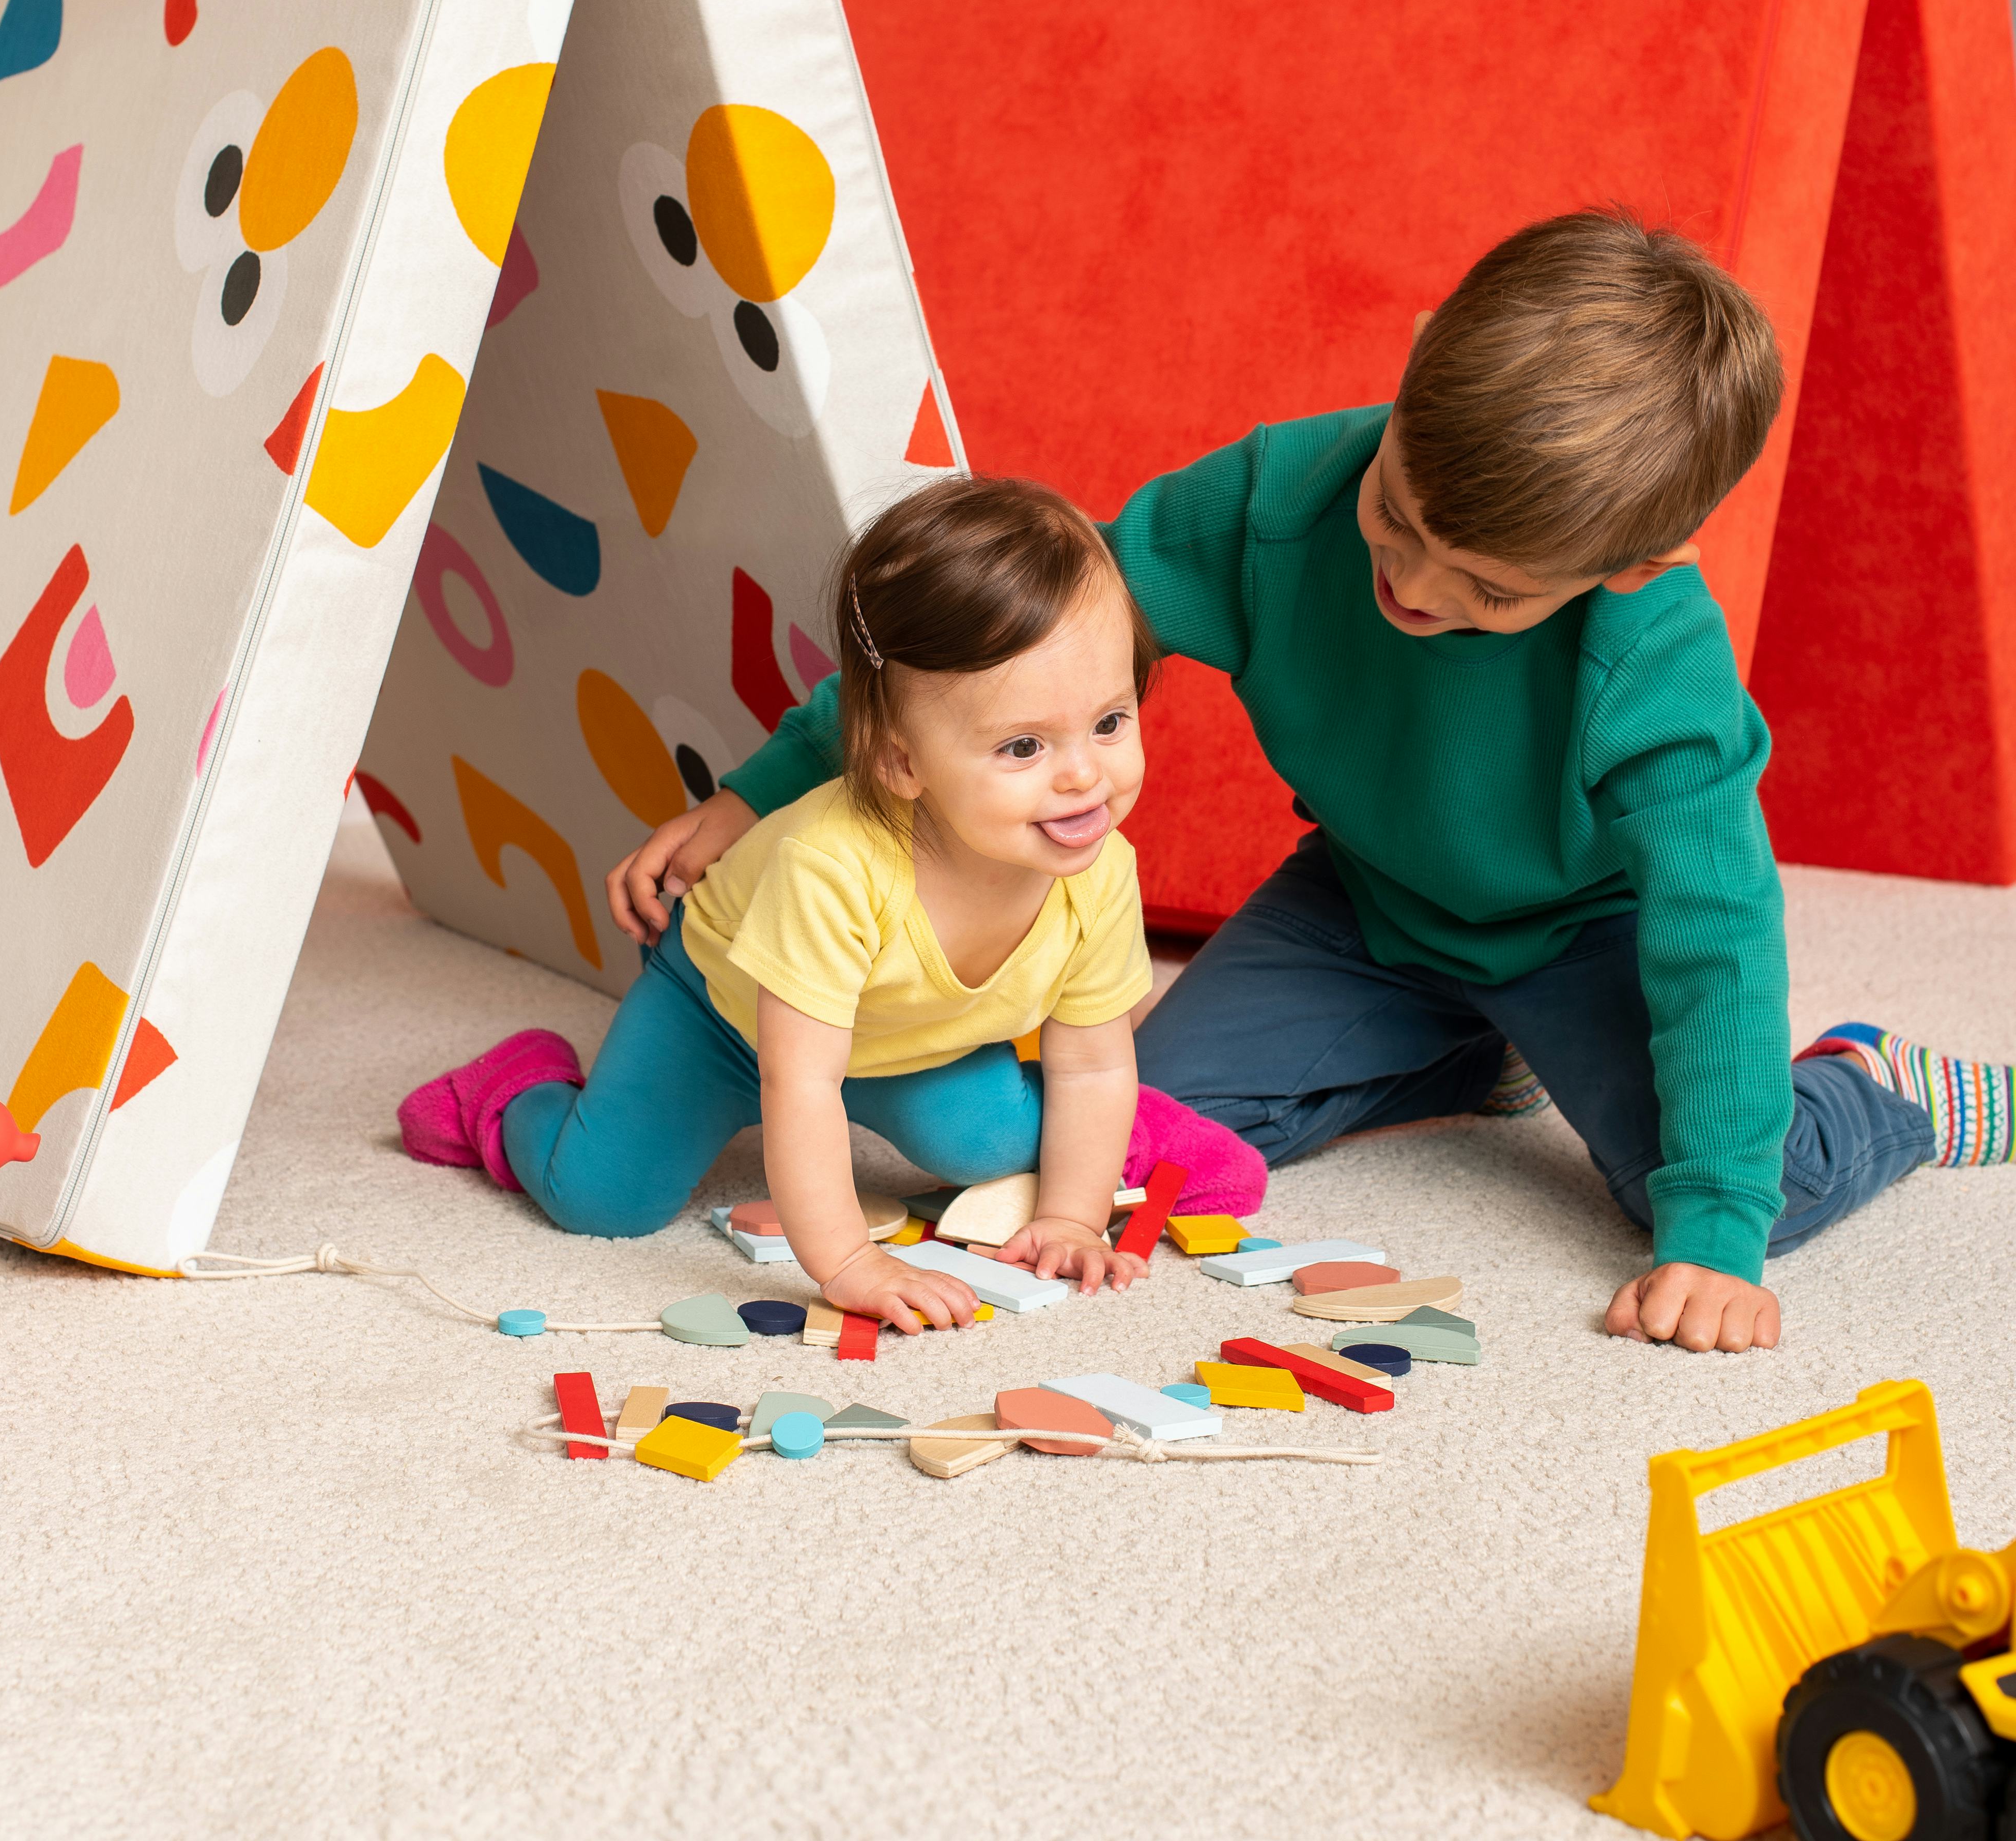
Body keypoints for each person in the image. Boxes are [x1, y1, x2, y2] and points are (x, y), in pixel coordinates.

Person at [624, 211, 2016, 1357]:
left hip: (1581, 938)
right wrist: (750, 797)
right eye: (1399, 520)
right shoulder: (1280, 493)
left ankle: (1870, 1088)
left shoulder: (1653, 655)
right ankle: (1472, 1050)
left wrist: (1715, 1226)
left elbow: (1712, 937)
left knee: (1722, 1192)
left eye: (1487, 590)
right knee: (1123, 1133)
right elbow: (1003, 657)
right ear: (1411, 370)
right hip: (1366, 901)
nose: (1411, 586)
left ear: (1631, 568)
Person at [398, 477, 1263, 1329]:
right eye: (1025, 745)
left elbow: (1093, 1061)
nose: (1085, 775)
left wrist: (1073, 1217)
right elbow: (800, 1080)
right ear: (901, 765)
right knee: (598, 1196)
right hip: (726, 1019)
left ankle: (1132, 1137)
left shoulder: (1098, 867)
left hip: (908, 1040)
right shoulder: (831, 866)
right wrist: (850, 1261)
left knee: (999, 1148)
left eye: (1111, 723)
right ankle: (513, 1091)